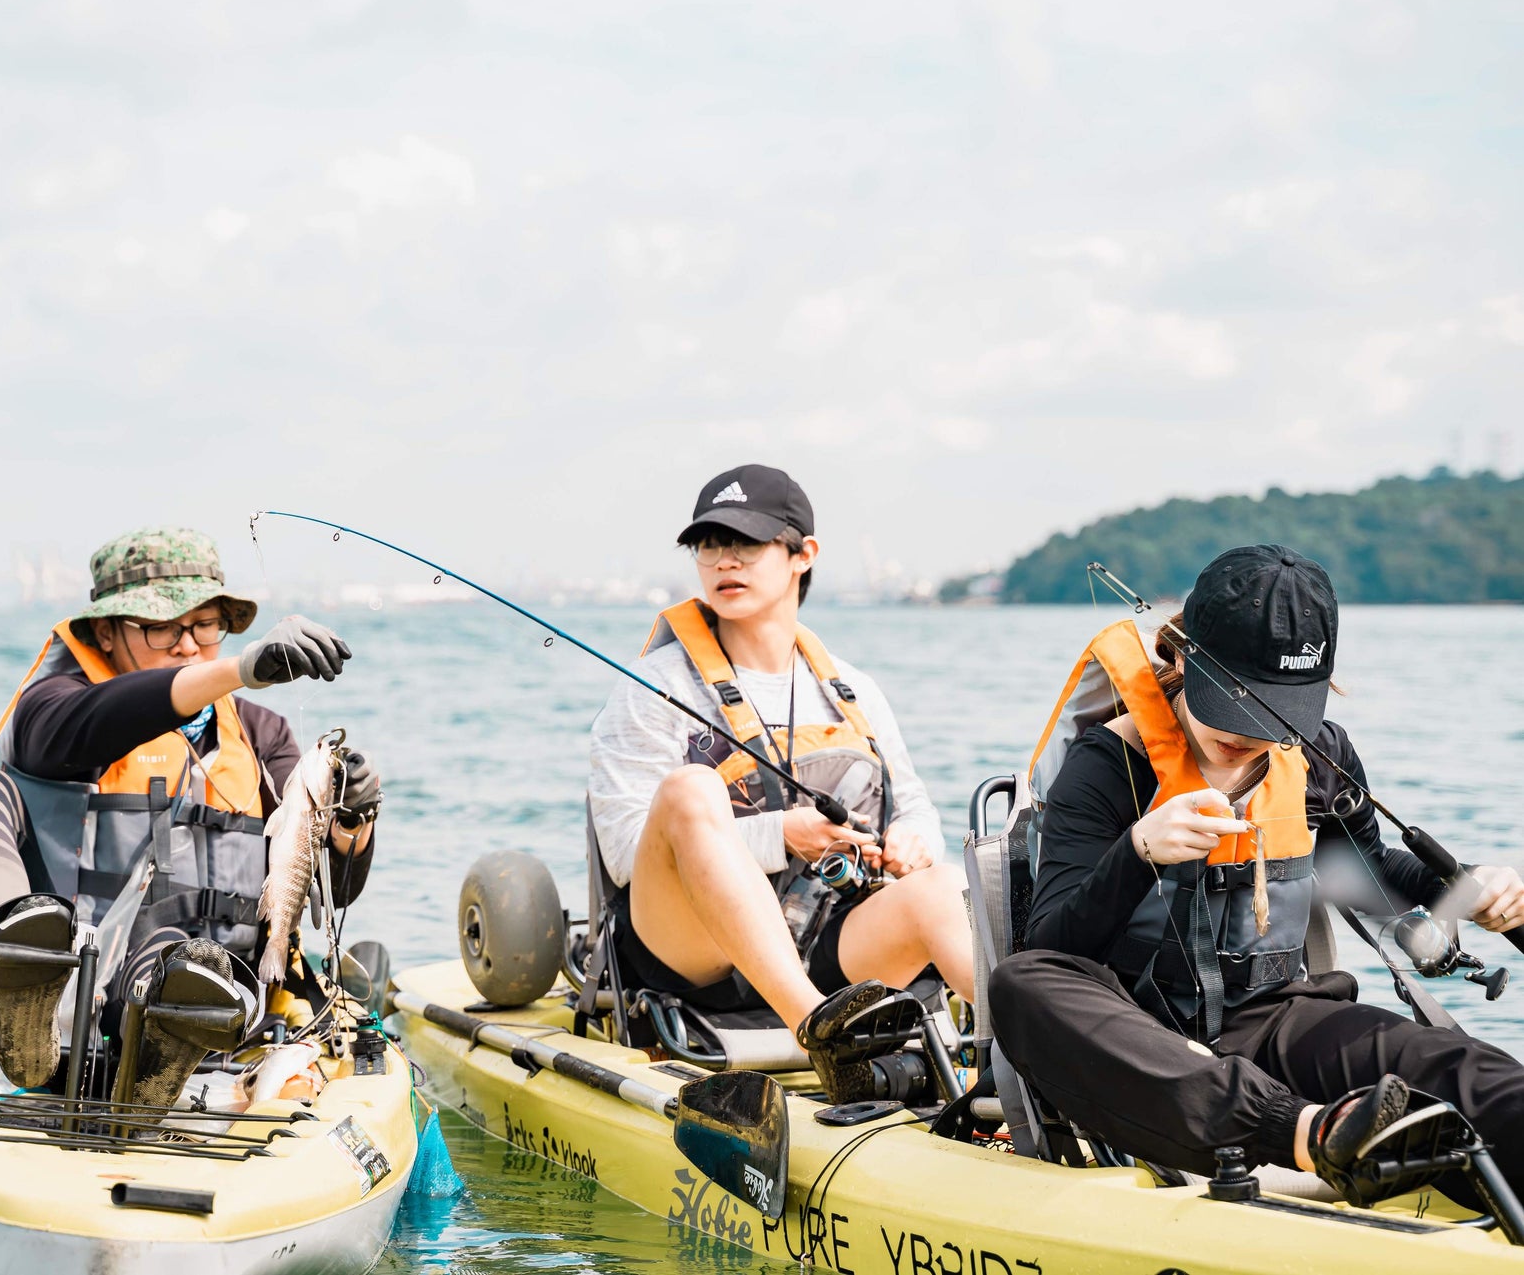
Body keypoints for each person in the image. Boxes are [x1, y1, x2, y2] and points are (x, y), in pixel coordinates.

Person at [989, 544, 1524, 1202]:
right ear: (1182, 654)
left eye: (1274, 707)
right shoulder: (1107, 764)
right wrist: (1137, 852)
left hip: (1278, 1019)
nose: (1245, 733)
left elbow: (1372, 872)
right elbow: (1052, 949)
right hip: (1136, 1041)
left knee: (1459, 1070)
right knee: (1019, 983)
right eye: (1235, 698)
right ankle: (1310, 1131)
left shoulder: (1321, 756)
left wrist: (1467, 890)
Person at [0, 526, 384, 1106]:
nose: (189, 645)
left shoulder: (263, 735)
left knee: (174, 955)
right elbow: (108, 715)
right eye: (163, 627)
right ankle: (21, 985)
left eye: (205, 625)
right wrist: (241, 668)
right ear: (105, 631)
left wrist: (353, 821)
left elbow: (327, 891)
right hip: (67, 980)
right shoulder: (53, 710)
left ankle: (161, 1051)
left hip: (198, 996)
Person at [588, 464, 973, 1104]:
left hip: (824, 940)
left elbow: (917, 808)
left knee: (942, 887)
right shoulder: (653, 686)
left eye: (747, 542)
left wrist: (911, 839)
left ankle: (1035, 1073)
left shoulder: (855, 690)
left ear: (802, 555)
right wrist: (780, 835)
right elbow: (628, 855)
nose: (723, 560)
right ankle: (819, 1033)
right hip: (693, 956)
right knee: (690, 789)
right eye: (708, 544)